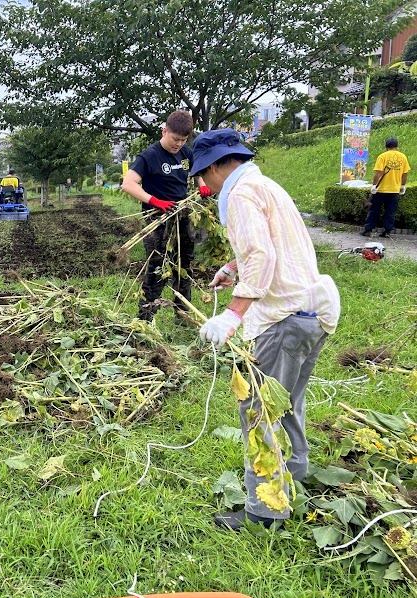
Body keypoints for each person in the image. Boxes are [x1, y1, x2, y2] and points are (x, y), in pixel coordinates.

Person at [191, 129, 340, 530]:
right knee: (288, 401)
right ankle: (296, 472)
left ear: (221, 165)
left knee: (259, 411)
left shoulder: (239, 195)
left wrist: (233, 314)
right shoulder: (265, 185)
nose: (204, 183)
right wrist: (232, 268)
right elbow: (271, 245)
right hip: (312, 312)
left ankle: (265, 511)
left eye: (204, 173)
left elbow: (260, 252)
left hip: (282, 319)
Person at [121, 110, 212, 321]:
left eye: (182, 140)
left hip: (182, 214)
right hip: (157, 218)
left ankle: (182, 316)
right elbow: (128, 184)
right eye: (175, 139)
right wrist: (155, 201)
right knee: (157, 268)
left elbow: (196, 172)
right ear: (165, 131)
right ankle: (145, 319)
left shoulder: (186, 152)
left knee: (183, 266)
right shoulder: (149, 156)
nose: (178, 144)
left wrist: (202, 185)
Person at [362, 137, 410, 238]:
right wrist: (403, 185)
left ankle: (368, 230)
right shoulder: (403, 157)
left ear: (386, 146)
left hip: (381, 189)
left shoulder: (382, 156)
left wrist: (374, 185)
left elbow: (378, 173)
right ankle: (387, 231)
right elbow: (405, 173)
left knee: (374, 210)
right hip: (394, 190)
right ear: (397, 146)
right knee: (390, 212)